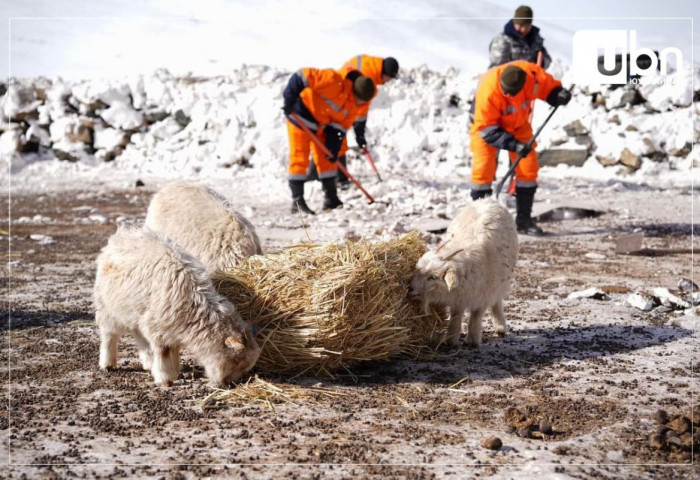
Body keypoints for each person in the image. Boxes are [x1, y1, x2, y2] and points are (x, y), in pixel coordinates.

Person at [469, 60, 571, 236]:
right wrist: (514, 145)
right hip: (487, 127)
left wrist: (558, 95)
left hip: (518, 124)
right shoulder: (488, 91)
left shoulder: (531, 76)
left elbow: (549, 88)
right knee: (483, 169)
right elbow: (486, 129)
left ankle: (524, 221)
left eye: (512, 93)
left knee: (528, 167)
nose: (508, 95)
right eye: (505, 92)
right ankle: (479, 225)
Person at [282, 67, 375, 215]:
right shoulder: (332, 80)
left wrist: (333, 146)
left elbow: (340, 128)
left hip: (321, 124)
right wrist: (289, 99)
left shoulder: (354, 105)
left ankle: (331, 198)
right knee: (300, 157)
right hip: (300, 116)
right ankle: (298, 202)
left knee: (329, 160)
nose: (360, 104)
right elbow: (302, 75)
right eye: (359, 100)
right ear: (354, 92)